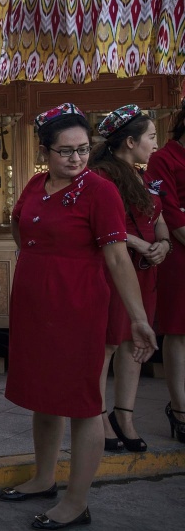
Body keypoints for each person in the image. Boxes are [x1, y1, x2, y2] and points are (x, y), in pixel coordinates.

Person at [1, 104, 157, 530]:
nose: (75, 159)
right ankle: (44, 478)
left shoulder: (100, 191)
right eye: (65, 151)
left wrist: (138, 318)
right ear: (45, 150)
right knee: (43, 397)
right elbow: (20, 226)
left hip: (79, 307)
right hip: (35, 308)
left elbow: (117, 258)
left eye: (83, 150)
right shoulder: (35, 185)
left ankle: (77, 501)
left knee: (84, 404)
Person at [90, 105, 169, 453]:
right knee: (108, 344)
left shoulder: (145, 177)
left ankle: (126, 415)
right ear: (131, 141)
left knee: (135, 345)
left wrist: (163, 243)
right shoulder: (101, 177)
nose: (155, 144)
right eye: (151, 137)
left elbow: (159, 216)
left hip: (146, 270)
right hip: (115, 269)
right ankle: (100, 416)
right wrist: (138, 243)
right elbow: (101, 226)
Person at [148, 98, 185, 445]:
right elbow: (170, 213)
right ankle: (180, 409)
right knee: (179, 331)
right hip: (179, 255)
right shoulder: (164, 158)